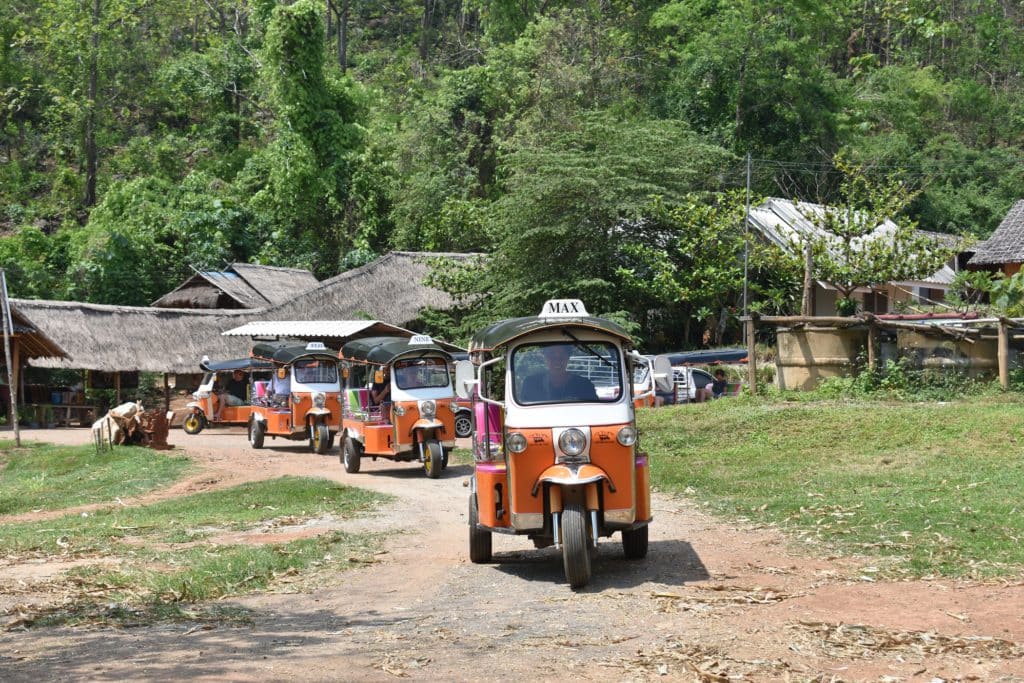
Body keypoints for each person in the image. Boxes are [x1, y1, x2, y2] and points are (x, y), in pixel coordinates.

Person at [519, 344, 597, 403]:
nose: (557, 361)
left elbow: (595, 411)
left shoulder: (585, 385)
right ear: (545, 357)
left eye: (562, 356)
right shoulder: (530, 384)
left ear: (568, 357)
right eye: (551, 355)